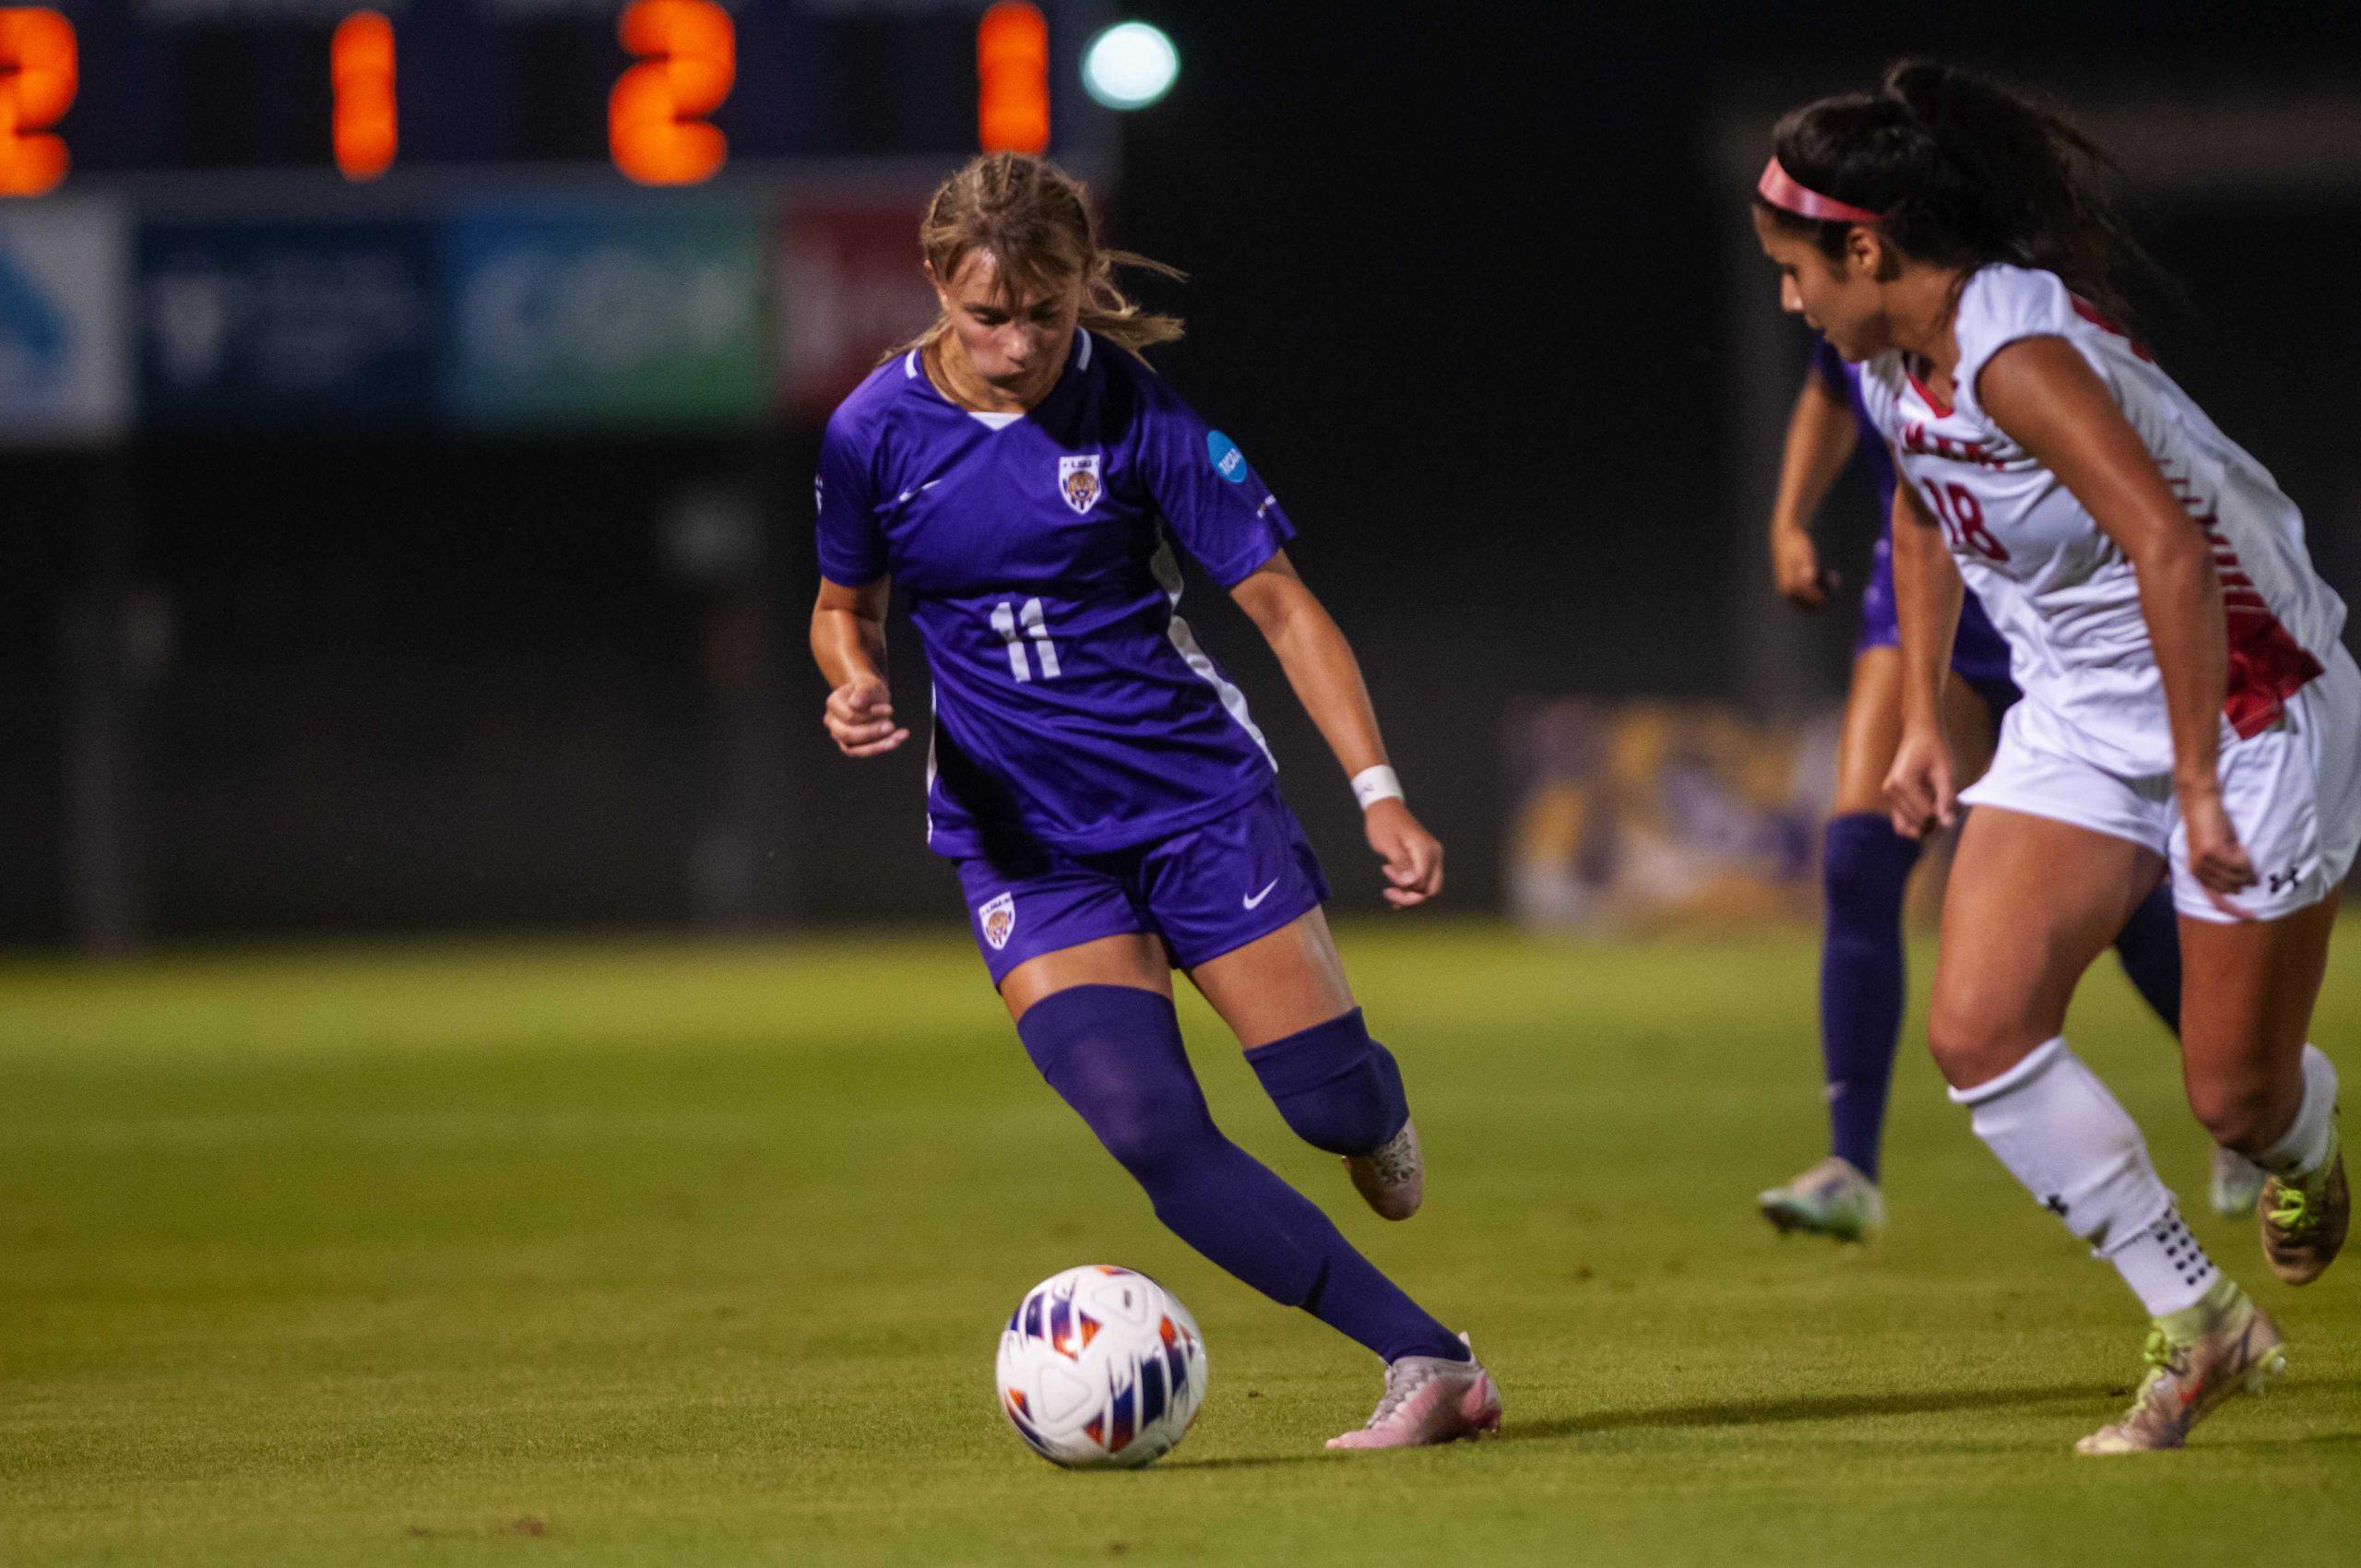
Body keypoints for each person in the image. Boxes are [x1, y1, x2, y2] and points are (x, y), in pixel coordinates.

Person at [808, 152, 1499, 1451]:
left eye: (1044, 317)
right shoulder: (871, 434)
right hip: (1025, 847)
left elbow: (1282, 609)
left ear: (1083, 291)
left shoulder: (1142, 419)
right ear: (934, 291)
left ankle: (1373, 1105)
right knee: (1151, 1133)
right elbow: (845, 608)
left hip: (1193, 809)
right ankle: (1429, 1362)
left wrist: (1382, 794)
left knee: (1325, 1111)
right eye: (985, 319)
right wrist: (850, 679)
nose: (1015, 348)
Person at [1753, 61, 2355, 1454]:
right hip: (2085, 711)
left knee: (2236, 1095)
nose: (1790, 300)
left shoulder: (2018, 354)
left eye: (1798, 270)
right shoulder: (1893, 359)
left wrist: (2197, 786)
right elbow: (1918, 512)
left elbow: (2164, 545)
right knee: (1976, 1025)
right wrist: (1918, 721)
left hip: (2253, 705)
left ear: (1868, 247)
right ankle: (2203, 1324)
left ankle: (2308, 1139)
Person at [1754, 337, 2261, 1241]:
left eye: (1798, 268)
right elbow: (1833, 402)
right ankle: (1850, 1164)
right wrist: (1789, 517)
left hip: (2058, 619)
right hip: (1921, 600)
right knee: (1858, 858)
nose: (1793, 297)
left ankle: (2247, 1097)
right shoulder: (1860, 326)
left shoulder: (2009, 319)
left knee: (2113, 897)